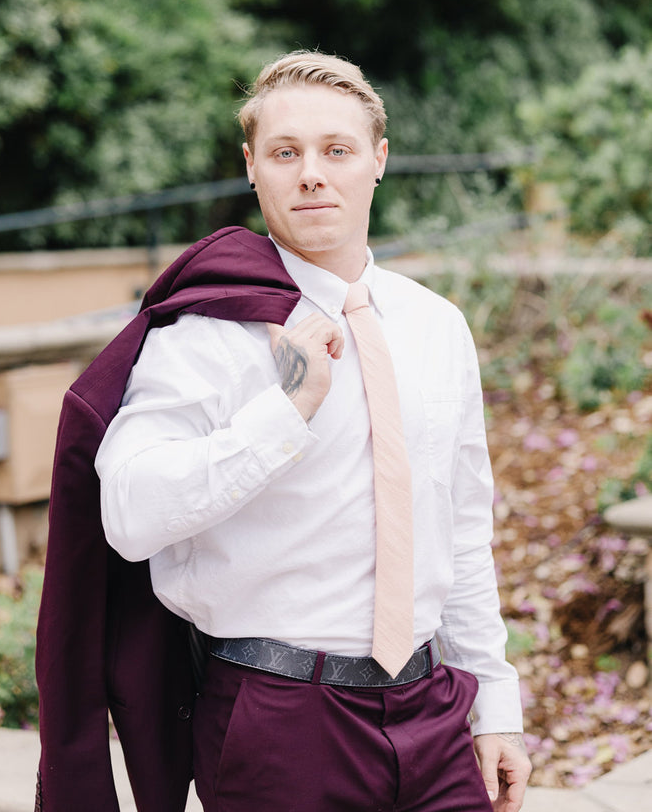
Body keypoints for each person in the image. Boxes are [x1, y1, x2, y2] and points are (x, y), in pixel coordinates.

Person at [92, 50, 531, 812]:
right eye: (285, 153)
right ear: (251, 166)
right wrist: (284, 413)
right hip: (278, 720)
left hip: (431, 711)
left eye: (337, 150)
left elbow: (460, 529)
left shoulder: (435, 326)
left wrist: (494, 704)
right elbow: (129, 514)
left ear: (378, 160)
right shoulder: (203, 334)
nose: (311, 175)